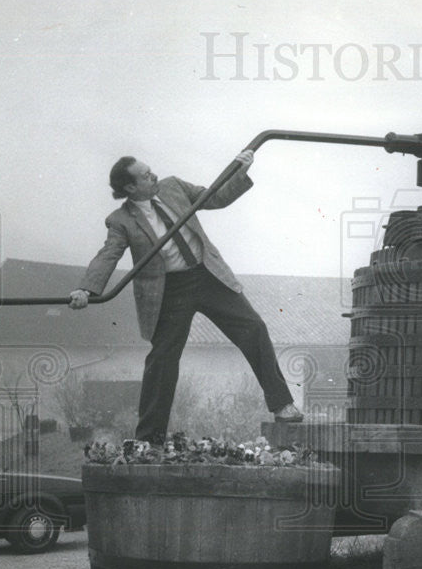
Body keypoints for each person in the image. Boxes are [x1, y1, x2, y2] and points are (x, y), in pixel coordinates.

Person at [69, 151, 302, 444]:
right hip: (169, 290)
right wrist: (86, 289)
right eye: (145, 175)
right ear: (129, 188)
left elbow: (214, 197)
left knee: (253, 328)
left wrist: (240, 170)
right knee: (162, 360)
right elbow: (109, 254)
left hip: (207, 275)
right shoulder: (120, 220)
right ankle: (149, 440)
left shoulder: (173, 187)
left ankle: (283, 405)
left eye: (151, 170)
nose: (153, 176)